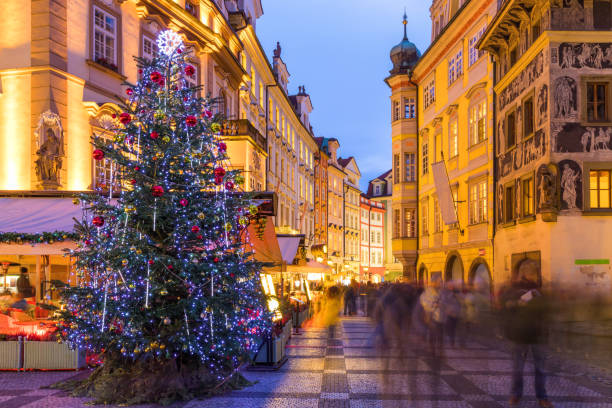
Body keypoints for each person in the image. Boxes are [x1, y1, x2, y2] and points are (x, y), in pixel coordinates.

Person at [500, 260, 553, 408]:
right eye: (534, 273)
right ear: (527, 274)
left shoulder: (540, 291)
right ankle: (516, 394)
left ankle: (542, 397)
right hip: (520, 334)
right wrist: (521, 301)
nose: (536, 276)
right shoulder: (513, 290)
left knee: (540, 369)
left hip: (538, 334)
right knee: (518, 368)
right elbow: (506, 307)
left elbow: (547, 309)